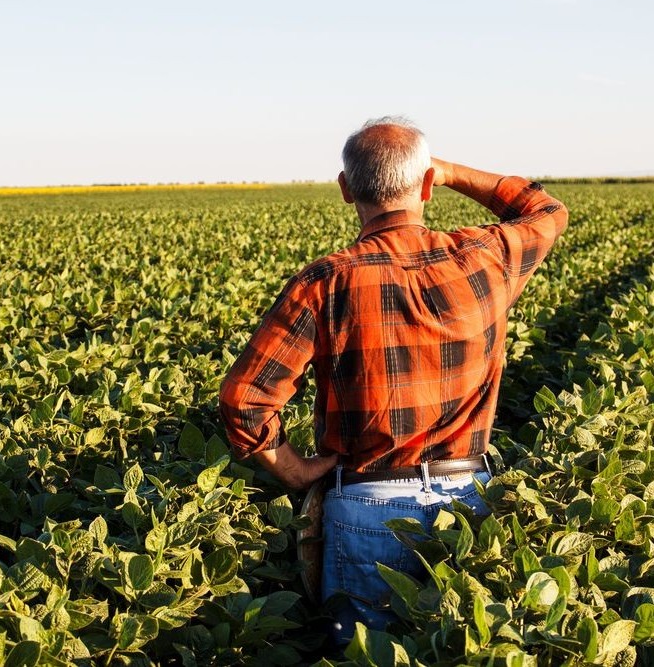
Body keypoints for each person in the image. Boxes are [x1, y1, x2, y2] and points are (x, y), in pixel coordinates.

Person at [218, 116, 568, 641]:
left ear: (345, 189)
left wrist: (291, 470)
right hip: (468, 505)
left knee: (369, 653)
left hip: (364, 506)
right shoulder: (485, 257)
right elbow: (546, 210)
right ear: (428, 184)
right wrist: (450, 171)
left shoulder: (325, 281)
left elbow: (244, 401)